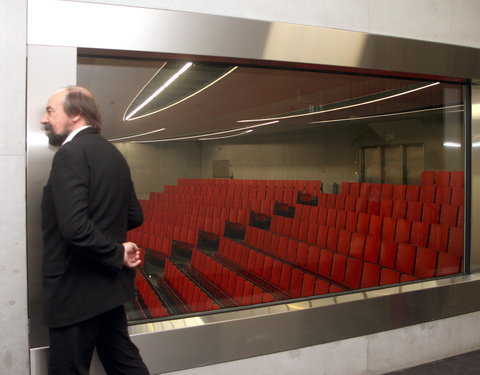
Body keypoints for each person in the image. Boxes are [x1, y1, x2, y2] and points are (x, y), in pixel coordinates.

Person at [40, 86, 150, 375]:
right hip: (110, 289)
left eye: (50, 111)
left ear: (75, 114)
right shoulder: (114, 154)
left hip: (75, 291)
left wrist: (115, 251)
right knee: (125, 364)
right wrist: (113, 245)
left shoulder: (70, 154)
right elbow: (134, 215)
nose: (43, 119)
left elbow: (75, 228)